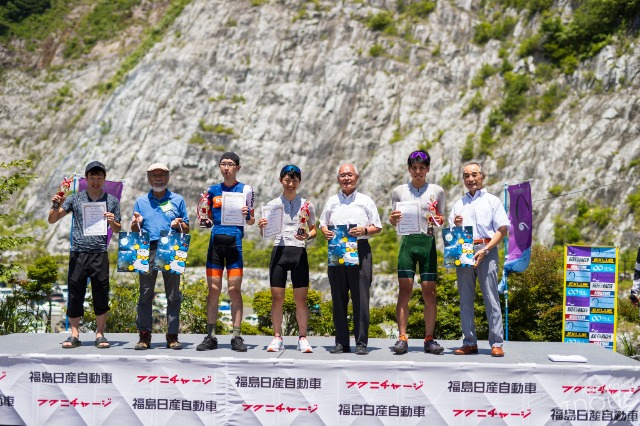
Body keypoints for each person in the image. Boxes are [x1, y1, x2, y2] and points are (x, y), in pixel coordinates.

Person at [48, 161, 121, 349]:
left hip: (99, 253)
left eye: (99, 178)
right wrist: (56, 204)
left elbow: (118, 229)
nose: (96, 181)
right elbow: (52, 219)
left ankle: (100, 334)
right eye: (92, 177)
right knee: (75, 293)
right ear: (86, 179)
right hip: (78, 253)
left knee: (101, 293)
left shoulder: (112, 201)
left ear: (104, 179)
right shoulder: (75, 198)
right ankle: (74, 334)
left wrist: (112, 221)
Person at [319, 162, 382, 355]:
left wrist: (364, 230)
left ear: (357, 177)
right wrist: (325, 231)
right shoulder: (332, 201)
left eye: (349, 175)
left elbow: (378, 227)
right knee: (338, 297)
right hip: (337, 249)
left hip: (360, 249)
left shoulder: (366, 200)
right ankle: (341, 342)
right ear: (338, 179)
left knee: (360, 297)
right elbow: (323, 223)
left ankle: (361, 342)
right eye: (342, 175)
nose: (346, 178)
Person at [448, 161, 509, 357]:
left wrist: (486, 250)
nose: (470, 179)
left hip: (487, 248)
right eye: (466, 175)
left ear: (482, 176)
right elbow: (451, 235)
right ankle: (469, 342)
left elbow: (502, 230)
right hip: (464, 249)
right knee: (465, 299)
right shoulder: (458, 204)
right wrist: (456, 225)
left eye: (474, 174)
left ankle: (496, 343)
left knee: (491, 297)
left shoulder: (492, 201)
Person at [197, 152, 255, 352]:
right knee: (213, 289)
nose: (227, 167)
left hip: (235, 244)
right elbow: (205, 217)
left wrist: (247, 215)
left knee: (234, 289)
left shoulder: (246, 190)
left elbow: (251, 221)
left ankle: (236, 336)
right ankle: (210, 336)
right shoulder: (212, 190)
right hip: (215, 243)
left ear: (238, 167)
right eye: (223, 164)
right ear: (219, 167)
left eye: (230, 164)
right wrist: (204, 219)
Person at [388, 150, 445, 355]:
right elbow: (393, 219)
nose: (418, 171)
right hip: (408, 244)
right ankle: (402, 337)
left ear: (428, 168)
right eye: (414, 168)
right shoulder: (399, 191)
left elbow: (440, 218)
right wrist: (393, 218)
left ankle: (429, 338)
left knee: (429, 294)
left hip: (428, 242)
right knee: (405, 291)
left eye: (422, 168)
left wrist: (439, 219)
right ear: (409, 169)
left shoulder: (437, 191)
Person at [258, 165, 317, 353]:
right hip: (279, 251)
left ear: (299, 182)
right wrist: (262, 226)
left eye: (294, 180)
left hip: (299, 251)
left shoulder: (307, 204)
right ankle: (277, 337)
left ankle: (302, 338)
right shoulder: (273, 204)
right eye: (287, 180)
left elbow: (314, 230)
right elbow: (265, 233)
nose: (290, 184)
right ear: (281, 181)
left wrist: (307, 235)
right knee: (277, 298)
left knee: (301, 299)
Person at [130, 163, 190, 350]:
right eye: (154, 175)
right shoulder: (141, 201)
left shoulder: (177, 200)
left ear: (168, 177)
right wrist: (135, 223)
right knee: (145, 293)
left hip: (171, 245)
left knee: (173, 295)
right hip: (147, 247)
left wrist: (180, 224)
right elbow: (134, 229)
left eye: (162, 175)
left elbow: (187, 227)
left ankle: (172, 336)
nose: (158, 179)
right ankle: (144, 336)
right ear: (148, 178)